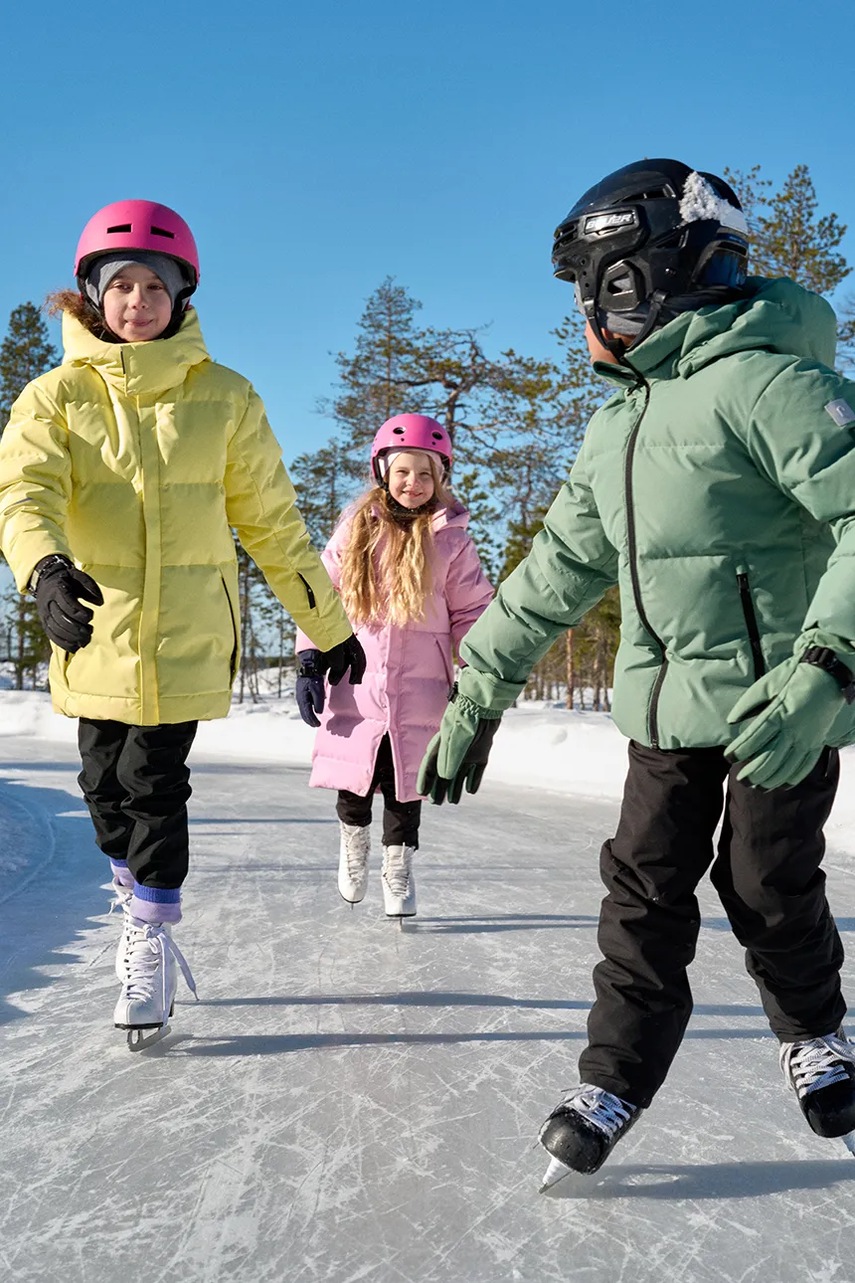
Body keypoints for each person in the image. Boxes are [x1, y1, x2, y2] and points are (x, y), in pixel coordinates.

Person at [417, 158, 855, 1183]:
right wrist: (479, 683)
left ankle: (816, 1030)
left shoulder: (770, 381)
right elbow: (553, 574)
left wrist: (827, 669)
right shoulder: (616, 423)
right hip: (665, 710)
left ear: (637, 281)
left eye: (591, 287)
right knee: (643, 893)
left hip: (776, 707)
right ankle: (612, 1078)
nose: (583, 314)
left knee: (763, 880)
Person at [0, 199, 365, 1047]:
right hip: (94, 629)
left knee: (153, 784)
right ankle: (136, 894)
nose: (137, 300)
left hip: (188, 634)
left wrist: (328, 624)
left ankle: (149, 938)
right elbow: (26, 493)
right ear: (92, 294)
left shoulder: (226, 398)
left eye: (154, 286)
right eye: (119, 284)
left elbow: (273, 522)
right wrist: (43, 568)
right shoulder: (55, 396)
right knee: (102, 790)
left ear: (182, 295)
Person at [294, 413, 493, 917]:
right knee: (356, 778)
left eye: (427, 474)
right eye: (404, 471)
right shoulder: (356, 529)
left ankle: (398, 865)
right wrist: (310, 658)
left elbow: (471, 611)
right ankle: (354, 848)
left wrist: (478, 669)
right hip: (356, 676)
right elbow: (323, 594)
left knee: (408, 782)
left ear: (441, 479)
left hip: (421, 684)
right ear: (383, 470)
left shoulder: (452, 538)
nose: (414, 483)